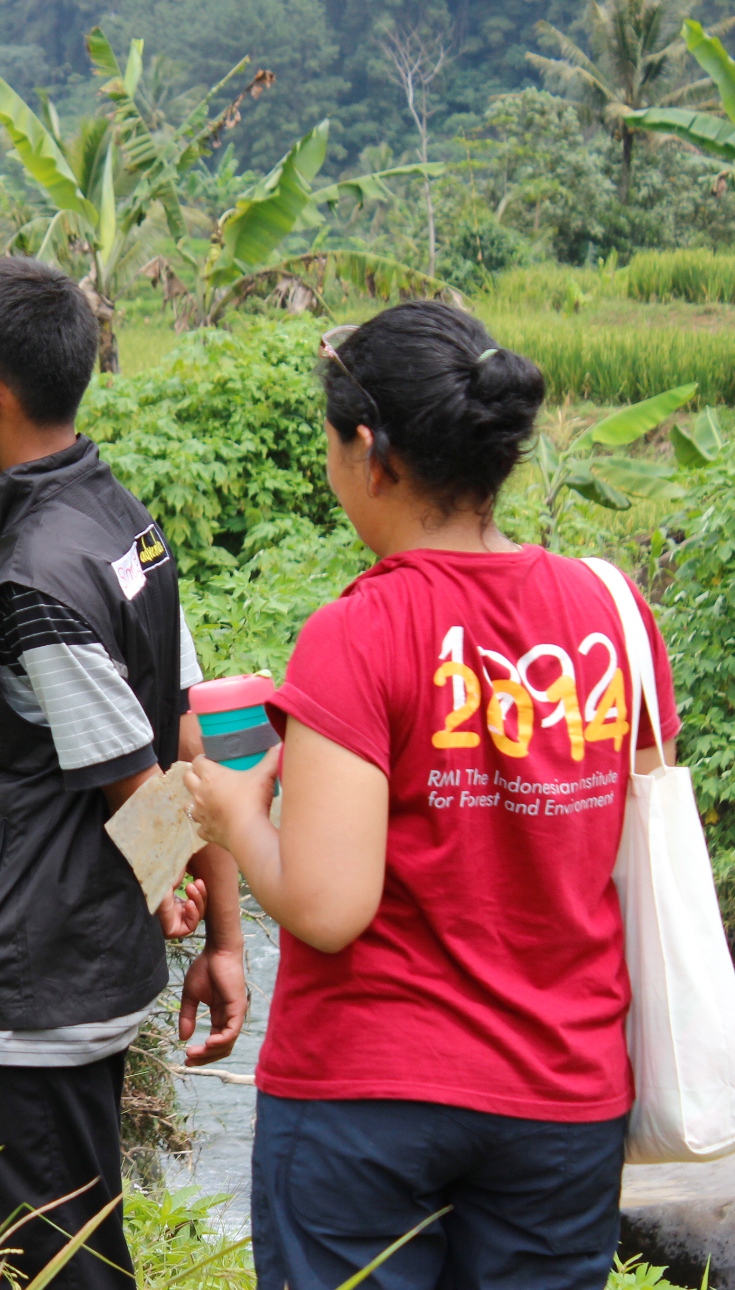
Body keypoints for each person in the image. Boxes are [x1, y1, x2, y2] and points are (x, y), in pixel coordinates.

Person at [185, 301, 679, 1290]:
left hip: (370, 1097)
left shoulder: (360, 632)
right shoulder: (612, 611)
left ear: (370, 454)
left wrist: (235, 814)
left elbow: (327, 906)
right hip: (562, 1095)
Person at [0, 258, 245, 1289]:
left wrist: (176, 885)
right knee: (81, 1235)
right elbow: (184, 727)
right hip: (96, 945)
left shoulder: (33, 579)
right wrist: (201, 913)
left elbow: (134, 778)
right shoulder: (120, 519)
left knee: (50, 1256)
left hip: (45, 961)